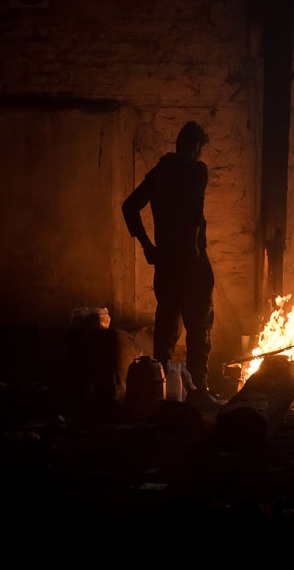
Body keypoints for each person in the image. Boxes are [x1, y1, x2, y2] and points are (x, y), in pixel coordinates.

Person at [121, 121, 224, 411]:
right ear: (195, 147)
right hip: (191, 264)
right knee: (199, 327)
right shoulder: (196, 171)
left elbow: (129, 206)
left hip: (166, 263)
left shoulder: (159, 174)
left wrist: (147, 246)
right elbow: (192, 214)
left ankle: (161, 391)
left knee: (166, 329)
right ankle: (198, 391)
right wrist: (193, 252)